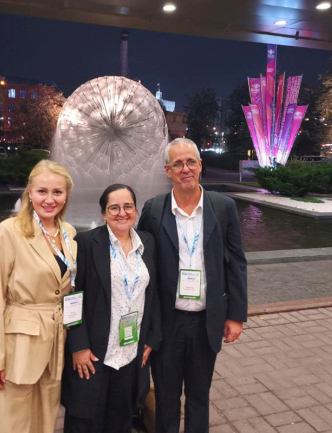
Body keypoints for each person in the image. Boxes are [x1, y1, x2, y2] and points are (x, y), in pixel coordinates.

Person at [137, 138, 248, 433]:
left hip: (205, 321)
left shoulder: (223, 207)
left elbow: (236, 262)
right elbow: (141, 266)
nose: (185, 169)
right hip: (166, 323)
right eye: (178, 164)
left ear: (200, 166)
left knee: (199, 397)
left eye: (191, 162)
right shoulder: (153, 210)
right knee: (166, 398)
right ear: (168, 170)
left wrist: (236, 315)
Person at [0, 160, 77, 433]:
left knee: (45, 421)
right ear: (29, 193)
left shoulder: (68, 233)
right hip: (18, 345)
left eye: (57, 192)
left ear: (66, 195)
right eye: (42, 191)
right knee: (12, 423)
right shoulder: (9, 231)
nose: (49, 199)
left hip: (56, 344)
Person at [62, 184, 162, 433]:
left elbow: (154, 294)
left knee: (121, 420)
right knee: (85, 420)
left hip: (131, 352)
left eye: (128, 206)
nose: (122, 213)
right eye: (114, 208)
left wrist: (152, 338)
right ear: (104, 213)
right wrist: (78, 346)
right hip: (94, 354)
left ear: (136, 211)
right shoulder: (86, 243)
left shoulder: (147, 243)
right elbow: (73, 298)